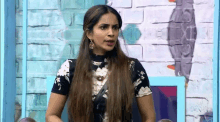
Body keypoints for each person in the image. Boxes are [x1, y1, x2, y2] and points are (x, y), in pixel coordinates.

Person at [45, 5, 156, 122]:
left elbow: (149, 117)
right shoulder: (69, 68)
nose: (111, 33)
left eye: (115, 27)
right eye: (104, 27)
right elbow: (51, 115)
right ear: (89, 33)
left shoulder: (132, 67)